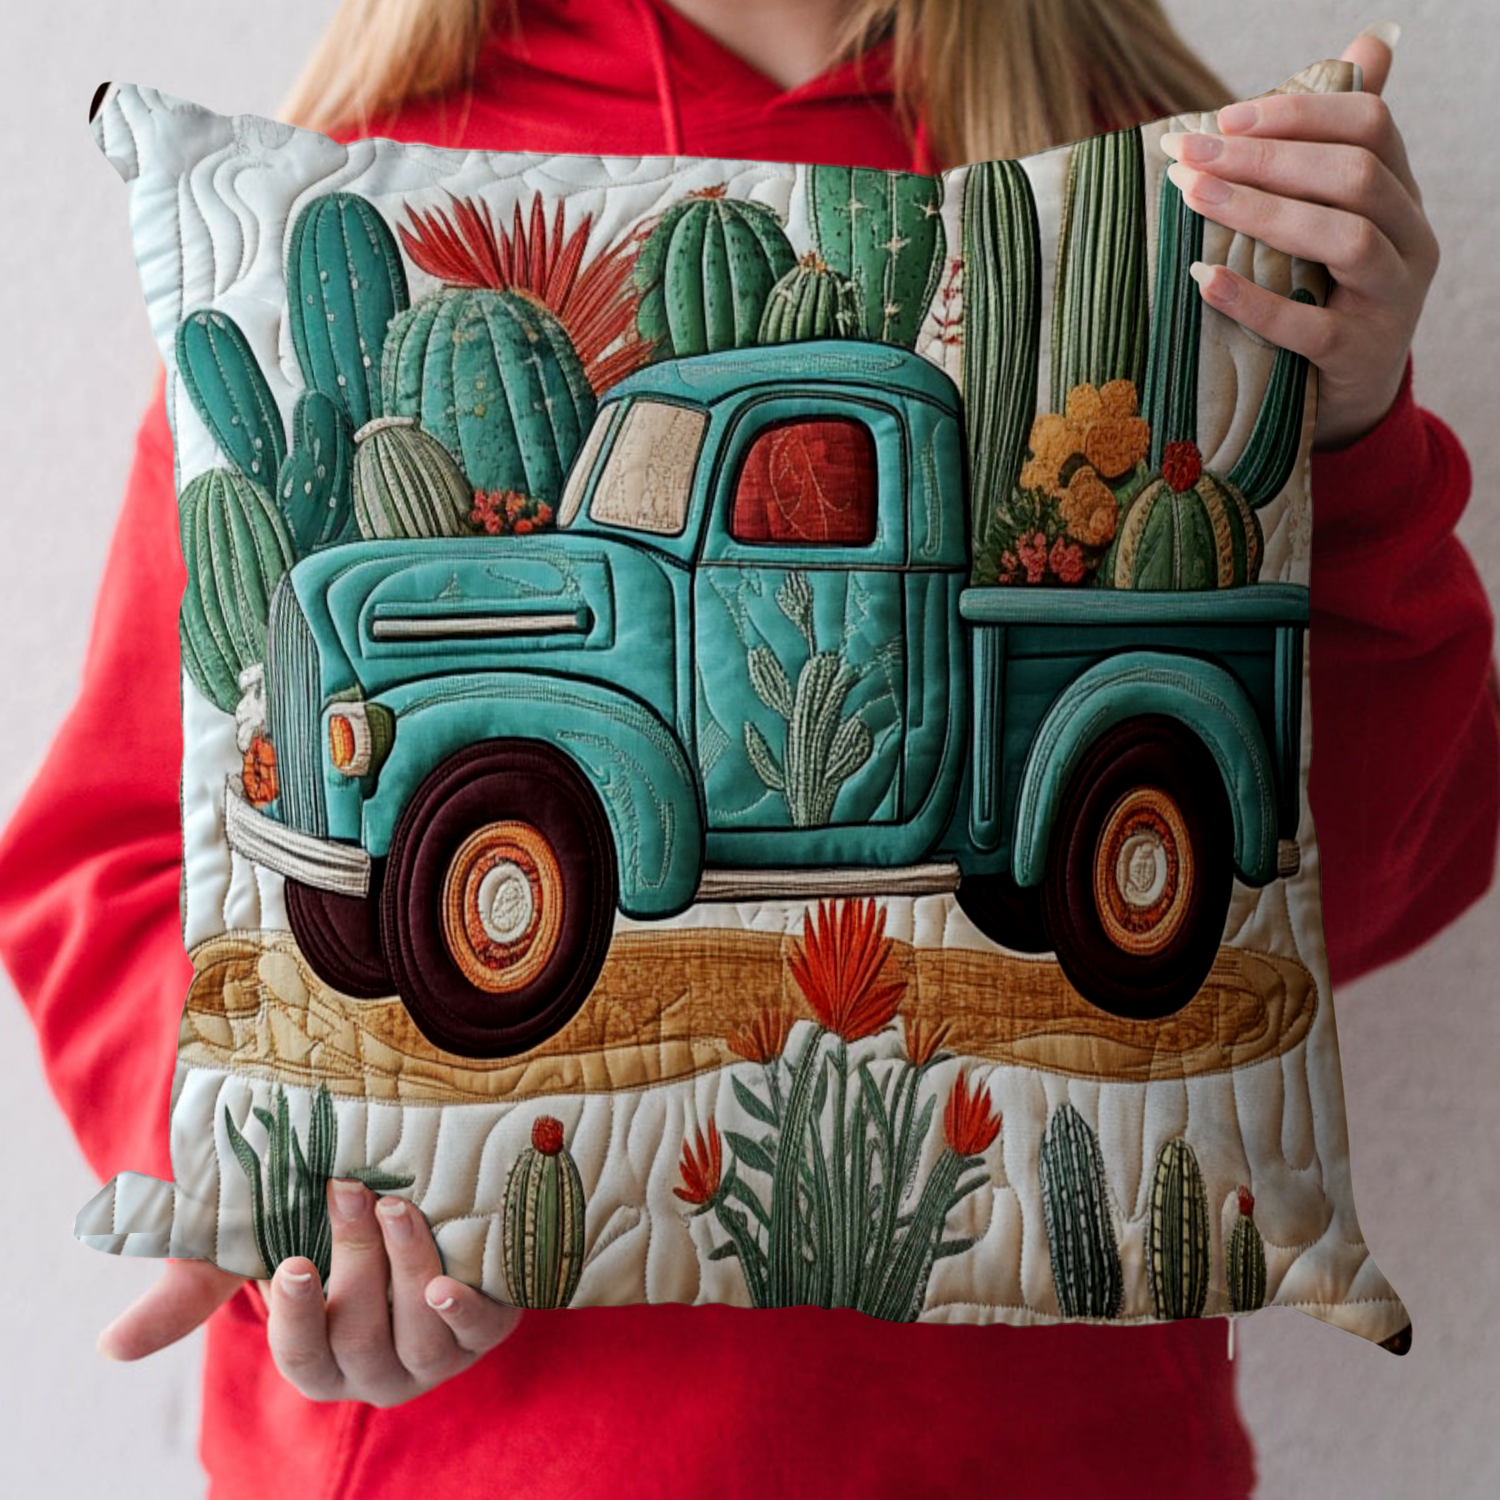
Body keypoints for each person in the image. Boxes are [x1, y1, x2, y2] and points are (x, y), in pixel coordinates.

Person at [2, 2, 1495, 1495]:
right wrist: (276, 1220)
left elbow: (1352, 891)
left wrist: (1353, 435)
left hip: (1051, 1454)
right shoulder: (368, 164)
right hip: (476, 1459)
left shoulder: (1170, 181)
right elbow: (114, 864)